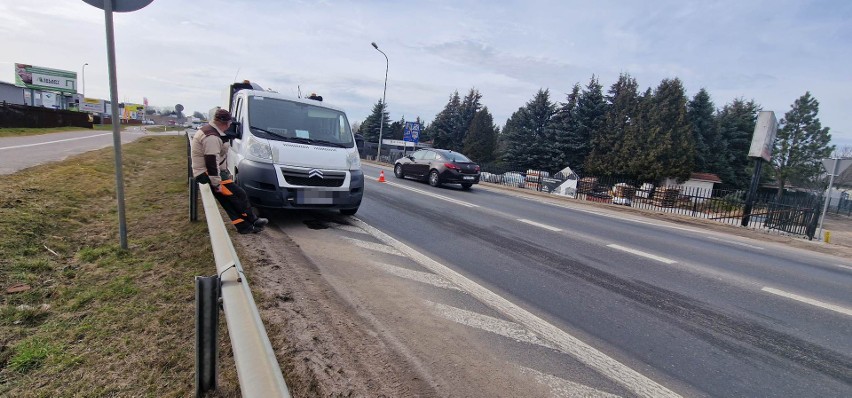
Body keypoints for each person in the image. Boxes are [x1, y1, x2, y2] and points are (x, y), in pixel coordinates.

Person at [191, 108, 268, 234]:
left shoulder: (210, 131)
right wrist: (216, 183)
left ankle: (244, 227)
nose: (230, 125)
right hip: (207, 174)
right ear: (225, 123)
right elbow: (211, 161)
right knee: (239, 195)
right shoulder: (212, 137)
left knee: (228, 201)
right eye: (229, 123)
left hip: (205, 172)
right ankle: (253, 220)